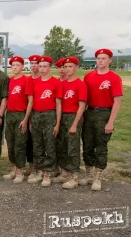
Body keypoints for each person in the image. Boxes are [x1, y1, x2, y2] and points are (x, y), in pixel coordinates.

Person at [80, 49, 123, 191]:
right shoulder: (88, 76)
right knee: (87, 145)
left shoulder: (114, 78)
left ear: (110, 60)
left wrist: (110, 122)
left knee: (101, 146)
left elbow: (117, 101)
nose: (100, 61)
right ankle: (89, 173)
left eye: (104, 58)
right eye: (98, 58)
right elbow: (84, 99)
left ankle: (98, 177)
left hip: (104, 113)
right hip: (89, 112)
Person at [53, 57, 87, 189]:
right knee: (62, 145)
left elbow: (82, 106)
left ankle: (74, 176)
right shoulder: (63, 84)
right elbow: (59, 104)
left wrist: (74, 124)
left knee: (72, 147)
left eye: (70, 66)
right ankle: (65, 172)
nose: (67, 69)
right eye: (65, 67)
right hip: (63, 117)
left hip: (74, 116)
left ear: (76, 67)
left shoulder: (80, 84)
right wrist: (58, 122)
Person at [28, 56, 62, 187]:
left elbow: (58, 104)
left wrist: (57, 123)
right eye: (40, 66)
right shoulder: (33, 82)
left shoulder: (56, 82)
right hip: (36, 115)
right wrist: (30, 120)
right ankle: (39, 170)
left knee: (49, 144)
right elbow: (31, 102)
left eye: (45, 66)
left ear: (50, 67)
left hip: (50, 115)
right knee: (37, 144)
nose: (42, 69)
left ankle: (48, 172)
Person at [3, 56, 33, 184]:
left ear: (22, 66)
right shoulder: (10, 80)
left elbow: (30, 101)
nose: (14, 67)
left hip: (21, 114)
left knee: (20, 144)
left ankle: (20, 170)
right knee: (10, 142)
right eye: (13, 65)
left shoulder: (26, 80)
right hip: (10, 114)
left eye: (17, 65)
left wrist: (26, 119)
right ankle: (14, 167)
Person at [25, 54, 41, 176]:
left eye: (36, 63)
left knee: (40, 141)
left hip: (41, 113)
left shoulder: (44, 79)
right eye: (32, 63)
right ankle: (31, 165)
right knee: (29, 141)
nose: (33, 66)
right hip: (29, 113)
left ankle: (40, 166)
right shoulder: (28, 80)